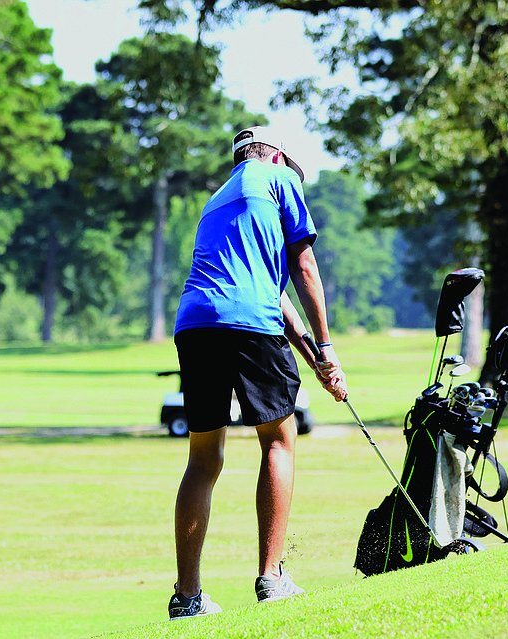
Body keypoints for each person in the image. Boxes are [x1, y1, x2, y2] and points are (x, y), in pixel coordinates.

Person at [167, 125, 347, 620]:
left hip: (195, 323)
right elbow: (303, 266)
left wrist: (314, 359)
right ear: (280, 157)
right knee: (278, 438)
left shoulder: (218, 199)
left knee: (204, 457)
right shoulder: (278, 179)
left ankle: (187, 598)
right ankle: (272, 577)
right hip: (248, 324)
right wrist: (329, 343)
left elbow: (273, 291)